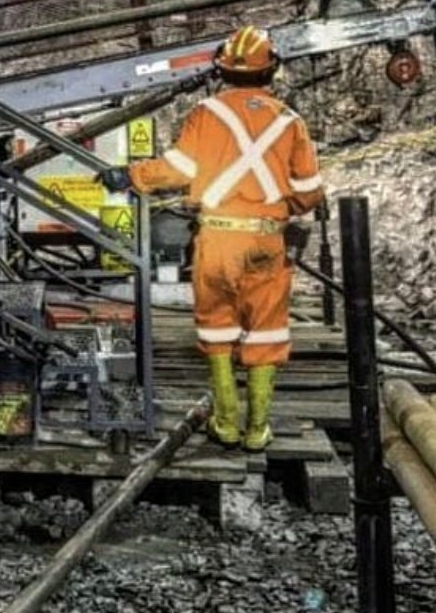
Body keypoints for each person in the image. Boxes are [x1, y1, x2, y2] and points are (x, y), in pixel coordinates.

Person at [98, 26, 325, 451]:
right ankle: (257, 429)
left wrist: (130, 176)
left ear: (221, 70)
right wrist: (278, 209)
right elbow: (310, 191)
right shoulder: (290, 122)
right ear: (271, 70)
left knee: (217, 326)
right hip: (266, 239)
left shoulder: (207, 113)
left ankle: (225, 423)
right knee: (266, 330)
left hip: (218, 237)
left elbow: (179, 170)